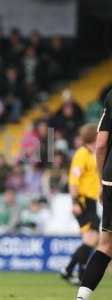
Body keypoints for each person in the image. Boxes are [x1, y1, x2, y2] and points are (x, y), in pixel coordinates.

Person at [76, 92, 112, 300]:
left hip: (110, 179)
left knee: (106, 245)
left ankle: (81, 298)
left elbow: (100, 145)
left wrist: (102, 180)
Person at [60, 123, 100, 285]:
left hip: (90, 201)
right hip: (82, 201)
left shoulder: (92, 153)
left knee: (90, 238)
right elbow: (73, 182)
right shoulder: (82, 154)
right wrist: (75, 202)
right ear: (94, 136)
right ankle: (70, 270)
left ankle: (77, 273)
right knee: (93, 236)